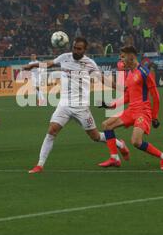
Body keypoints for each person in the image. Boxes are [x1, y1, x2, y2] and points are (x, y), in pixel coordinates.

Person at [23, 37, 129, 174]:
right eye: (74, 47)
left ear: (84, 50)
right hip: (64, 105)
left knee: (95, 137)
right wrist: (33, 65)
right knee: (51, 132)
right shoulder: (64, 57)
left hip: (81, 107)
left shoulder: (89, 63)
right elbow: (48, 64)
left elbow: (102, 79)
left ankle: (120, 144)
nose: (75, 51)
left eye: (79, 49)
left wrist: (119, 88)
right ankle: (40, 165)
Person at [99, 45, 163, 170]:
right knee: (106, 125)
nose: (121, 60)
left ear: (131, 57)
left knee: (136, 142)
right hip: (131, 110)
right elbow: (127, 96)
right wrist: (111, 104)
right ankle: (114, 158)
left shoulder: (144, 72)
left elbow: (156, 96)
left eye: (123, 57)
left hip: (142, 111)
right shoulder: (129, 73)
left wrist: (155, 117)